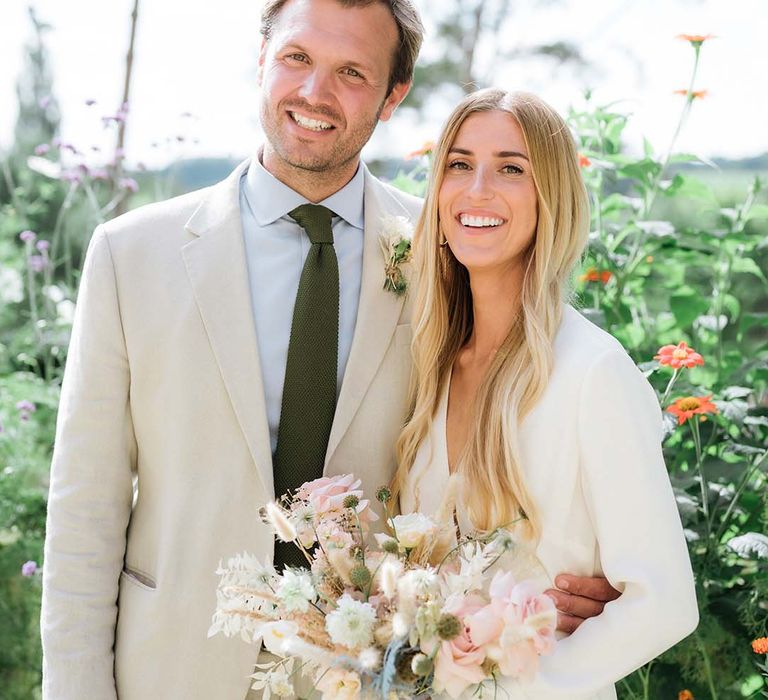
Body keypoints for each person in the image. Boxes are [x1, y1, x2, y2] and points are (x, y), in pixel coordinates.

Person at [41, 2, 616, 699]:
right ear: (261, 59)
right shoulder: (131, 257)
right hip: (173, 665)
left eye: (351, 71)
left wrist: (553, 577)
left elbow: (519, 408)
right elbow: (84, 511)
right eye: (296, 59)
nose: (315, 93)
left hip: (374, 674)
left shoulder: (446, 254)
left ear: (392, 94)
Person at [393, 88, 699, 698]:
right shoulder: (430, 366)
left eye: (511, 168)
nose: (477, 189)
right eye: (459, 164)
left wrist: (513, 688)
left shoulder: (592, 372)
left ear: (549, 196)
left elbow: (663, 600)